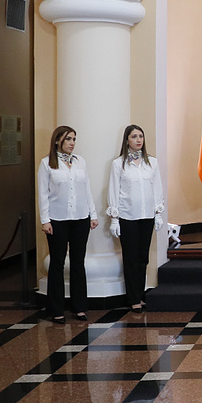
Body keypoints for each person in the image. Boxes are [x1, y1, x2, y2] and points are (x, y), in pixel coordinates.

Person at [38, 125, 98, 323]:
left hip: (81, 218)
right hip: (57, 220)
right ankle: (56, 309)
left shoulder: (80, 162)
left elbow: (87, 190)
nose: (72, 143)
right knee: (57, 263)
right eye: (68, 139)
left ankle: (79, 307)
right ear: (58, 141)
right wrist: (45, 220)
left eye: (74, 139)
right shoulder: (47, 163)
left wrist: (93, 214)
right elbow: (43, 194)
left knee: (78, 262)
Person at [107, 124, 164, 311]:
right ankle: (133, 298)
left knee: (143, 257)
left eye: (141, 136)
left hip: (147, 216)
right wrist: (114, 218)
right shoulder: (118, 164)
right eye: (134, 136)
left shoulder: (152, 162)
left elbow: (157, 189)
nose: (138, 140)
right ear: (126, 141)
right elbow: (114, 191)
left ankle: (140, 293)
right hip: (127, 216)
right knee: (130, 258)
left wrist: (158, 214)